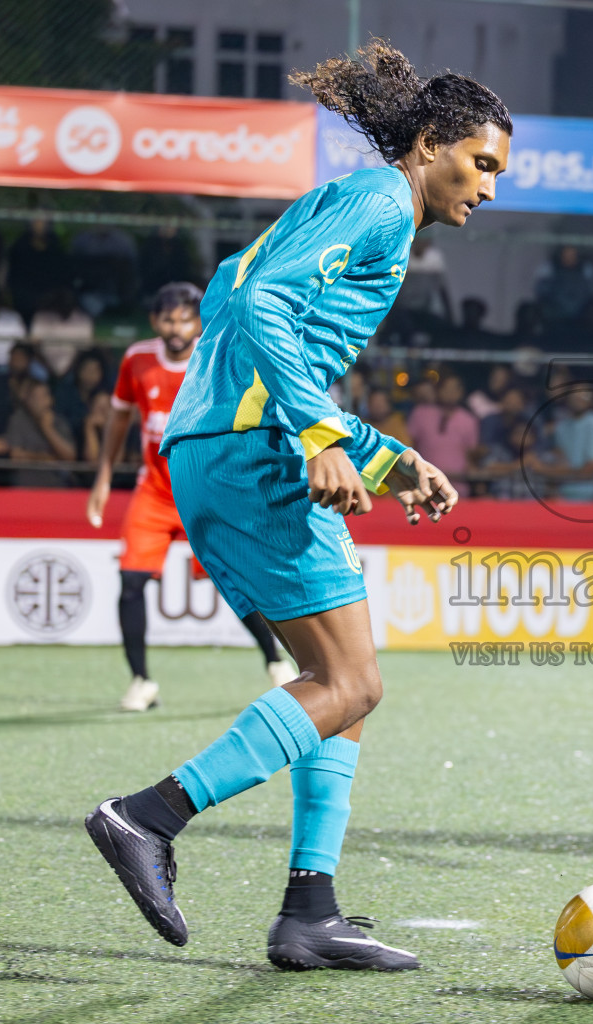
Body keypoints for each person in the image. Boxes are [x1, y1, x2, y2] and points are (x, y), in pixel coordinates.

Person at [83, 40, 510, 972]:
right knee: (353, 684)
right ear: (430, 144)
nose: (488, 188)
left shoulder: (352, 203)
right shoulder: (382, 204)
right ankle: (149, 817)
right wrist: (320, 438)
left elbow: (244, 315)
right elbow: (265, 309)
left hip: (217, 448)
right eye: (481, 163)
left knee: (336, 689)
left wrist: (386, 457)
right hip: (253, 454)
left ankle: (310, 912)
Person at [86, 283, 295, 712]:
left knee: (237, 581)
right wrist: (103, 478)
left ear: (197, 322)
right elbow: (119, 420)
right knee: (130, 582)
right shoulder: (137, 359)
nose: (176, 328)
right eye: (168, 319)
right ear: (154, 321)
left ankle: (276, 664)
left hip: (208, 490)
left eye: (185, 319)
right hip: (155, 491)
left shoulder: (217, 355)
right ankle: (141, 682)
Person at [407, 374, 480, 480]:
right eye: (446, 388)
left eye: (454, 389)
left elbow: (471, 455)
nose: (450, 393)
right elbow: (409, 446)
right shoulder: (420, 414)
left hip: (458, 484)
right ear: (438, 390)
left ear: (460, 392)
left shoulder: (469, 420)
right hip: (425, 482)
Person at [5, 379, 76, 487]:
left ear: (51, 399)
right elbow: (16, 456)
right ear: (28, 401)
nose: (40, 402)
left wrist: (48, 429)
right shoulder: (18, 420)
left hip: (57, 486)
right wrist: (46, 458)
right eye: (35, 398)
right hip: (25, 487)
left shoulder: (59, 422)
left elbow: (69, 457)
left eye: (44, 397)